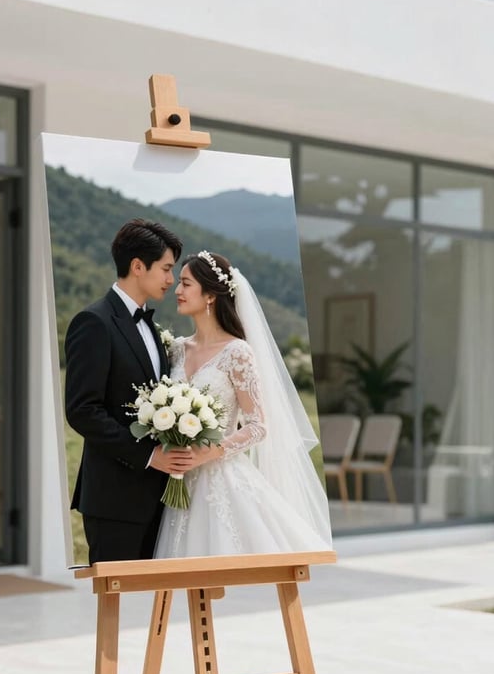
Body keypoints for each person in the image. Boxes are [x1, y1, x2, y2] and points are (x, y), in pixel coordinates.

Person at [154, 251, 332, 558]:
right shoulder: (176, 349)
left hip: (221, 480)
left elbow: (258, 426)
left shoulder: (238, 352)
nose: (178, 291)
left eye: (185, 284)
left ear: (210, 294)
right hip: (177, 480)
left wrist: (210, 451)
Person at [64, 219, 194, 564]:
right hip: (113, 500)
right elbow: (82, 410)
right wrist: (150, 457)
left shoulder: (151, 326)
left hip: (158, 499)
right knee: (116, 607)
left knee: (150, 609)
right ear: (138, 266)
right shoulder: (93, 323)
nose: (170, 280)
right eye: (166, 269)